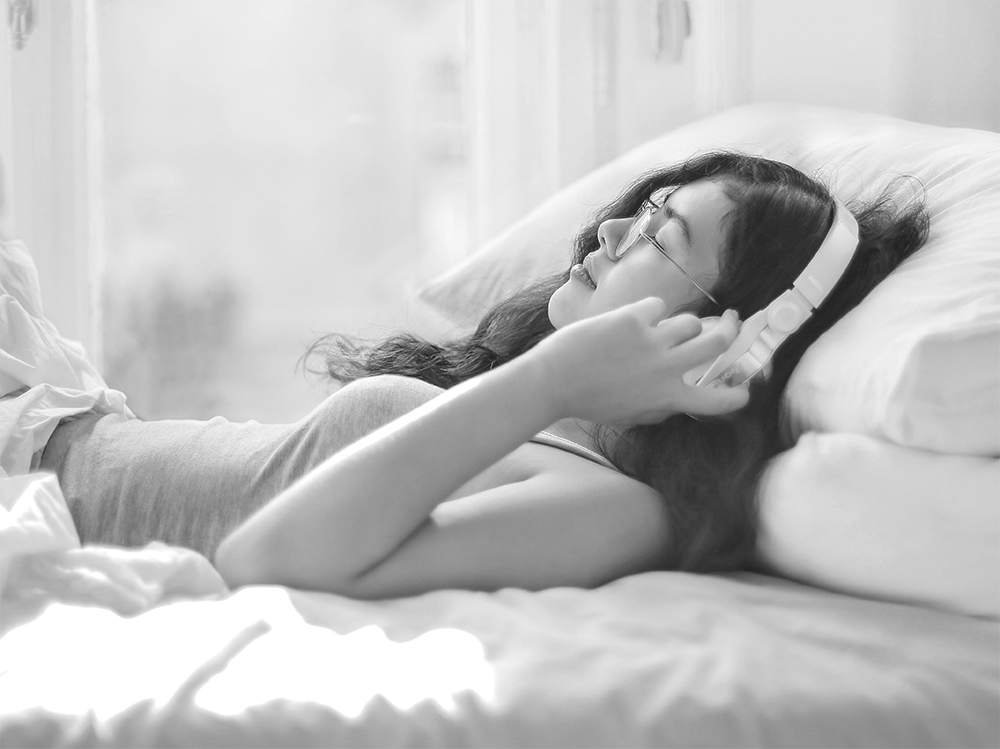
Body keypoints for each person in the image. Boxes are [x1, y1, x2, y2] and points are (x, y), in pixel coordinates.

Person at [26, 151, 928, 598]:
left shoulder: (616, 509)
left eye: (660, 237)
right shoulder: (533, 418)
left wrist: (554, 377)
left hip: (37, 480)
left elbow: (265, 557)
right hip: (53, 419)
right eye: (638, 211)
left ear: (731, 341)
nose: (607, 235)